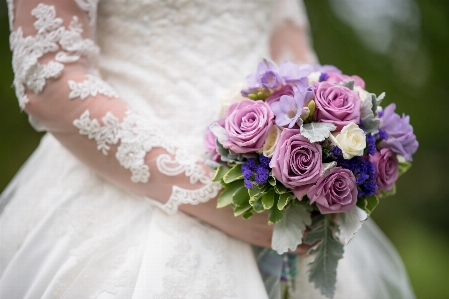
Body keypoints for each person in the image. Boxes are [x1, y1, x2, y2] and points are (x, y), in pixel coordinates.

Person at [0, 0, 415, 298]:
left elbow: (294, 56)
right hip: (128, 185)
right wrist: (210, 194)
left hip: (273, 183)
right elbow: (49, 80)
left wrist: (323, 147)